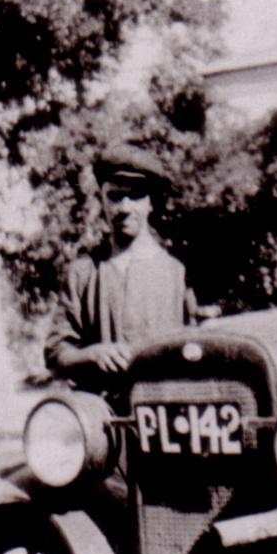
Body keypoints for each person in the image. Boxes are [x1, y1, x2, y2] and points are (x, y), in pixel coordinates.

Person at [45, 146, 211, 385]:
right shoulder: (83, 272)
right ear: (101, 200)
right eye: (114, 196)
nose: (124, 208)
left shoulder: (176, 273)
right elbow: (55, 352)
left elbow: (198, 349)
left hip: (165, 408)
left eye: (135, 196)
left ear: (150, 203)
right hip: (105, 411)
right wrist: (92, 354)